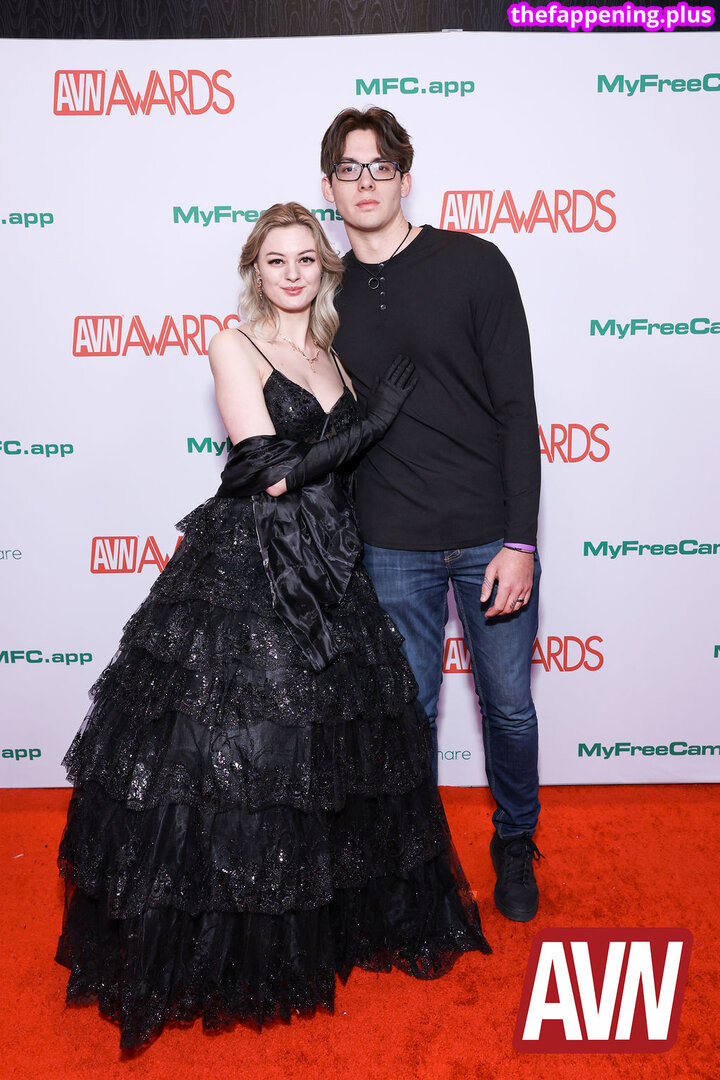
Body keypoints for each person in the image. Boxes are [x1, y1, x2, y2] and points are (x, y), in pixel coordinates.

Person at [56, 202, 490, 1051]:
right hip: (254, 563)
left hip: (332, 562)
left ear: (325, 269)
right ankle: (228, 941)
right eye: (275, 260)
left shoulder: (335, 353)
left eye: (305, 260)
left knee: (323, 754)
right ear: (255, 270)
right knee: (245, 750)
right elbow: (268, 471)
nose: (291, 274)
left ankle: (323, 926)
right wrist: (369, 423)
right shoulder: (235, 345)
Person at [320, 109, 544, 923]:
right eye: (350, 169)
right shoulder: (323, 291)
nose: (366, 182)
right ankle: (416, 864)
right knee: (406, 713)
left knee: (508, 706)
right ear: (329, 188)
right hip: (389, 542)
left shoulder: (474, 263)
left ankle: (515, 842)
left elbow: (517, 409)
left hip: (488, 533)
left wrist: (520, 541)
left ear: (406, 179)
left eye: (381, 167)